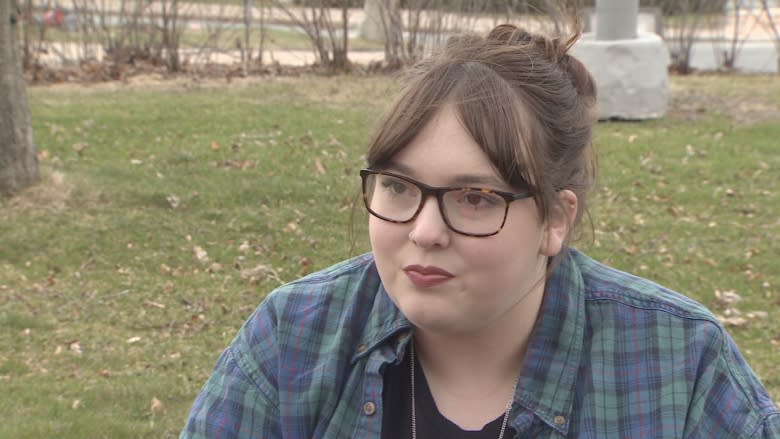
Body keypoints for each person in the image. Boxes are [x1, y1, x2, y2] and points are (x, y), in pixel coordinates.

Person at [180, 24, 780, 438]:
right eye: (397, 186)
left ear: (554, 219)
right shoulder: (295, 341)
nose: (425, 230)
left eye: (474, 198)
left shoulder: (677, 365)